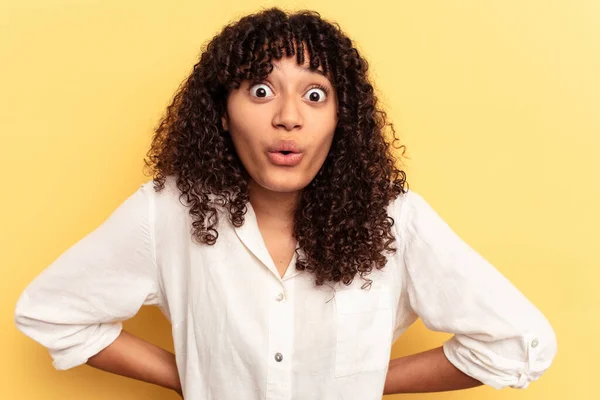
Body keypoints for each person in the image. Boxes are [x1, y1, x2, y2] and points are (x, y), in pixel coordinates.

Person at [14, 7, 557, 400]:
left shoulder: (395, 218)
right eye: (260, 90)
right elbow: (52, 315)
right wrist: (197, 376)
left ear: (340, 118)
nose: (289, 117)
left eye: (315, 94)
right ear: (222, 115)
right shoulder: (168, 211)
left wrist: (358, 383)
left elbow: (516, 343)